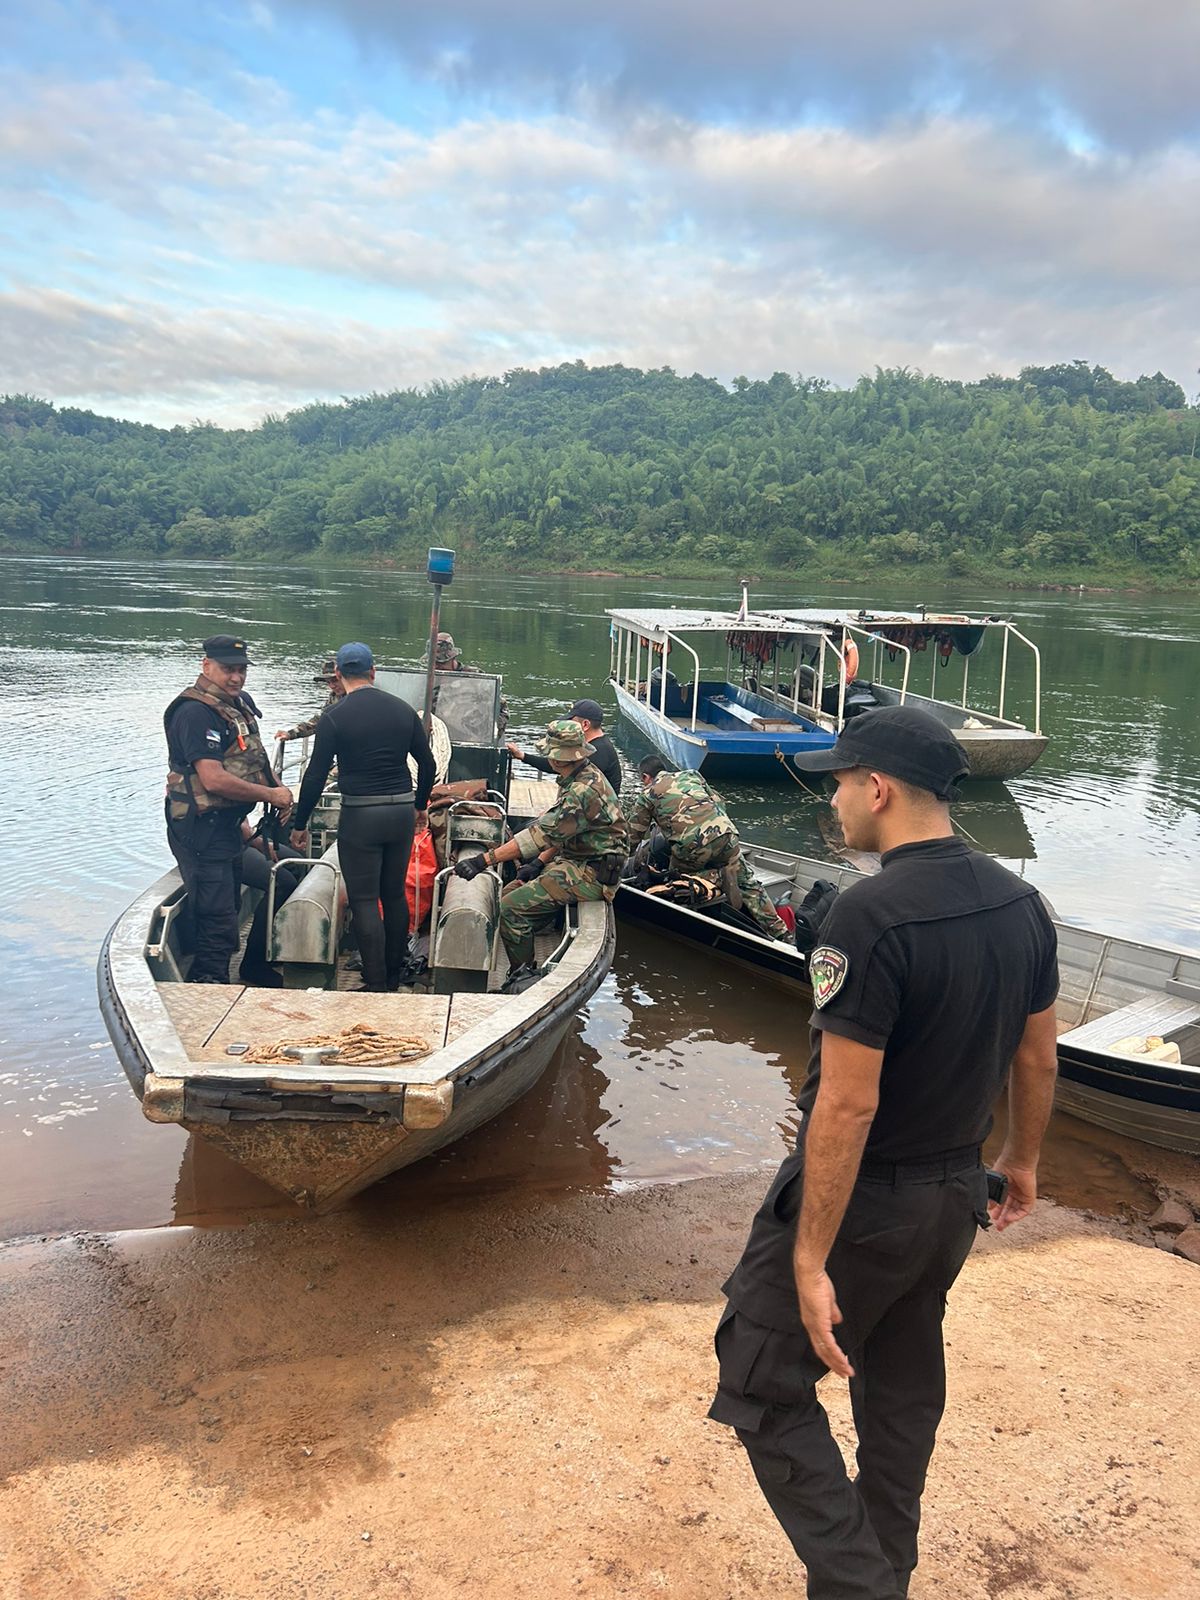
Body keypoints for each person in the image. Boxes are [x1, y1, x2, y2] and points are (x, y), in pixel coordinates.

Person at [709, 705, 1059, 1600]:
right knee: (898, 1391)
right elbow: (1036, 1055)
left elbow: (849, 1104)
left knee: (760, 1378)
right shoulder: (1024, 905)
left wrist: (811, 1255)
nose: (834, 802)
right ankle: (880, 1576)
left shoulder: (868, 916)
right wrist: (1020, 1162)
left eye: (838, 783)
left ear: (879, 788)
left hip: (869, 1204)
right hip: (952, 1197)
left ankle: (864, 1588)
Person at [289, 642, 435, 992]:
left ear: (338, 673)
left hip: (361, 814)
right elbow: (427, 764)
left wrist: (300, 824)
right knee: (395, 894)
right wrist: (419, 805)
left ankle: (376, 983)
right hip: (400, 811)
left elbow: (314, 775)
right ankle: (395, 974)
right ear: (373, 672)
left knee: (365, 899)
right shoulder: (402, 710)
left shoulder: (335, 717)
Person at [454, 719, 628, 980]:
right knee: (512, 889)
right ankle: (529, 937)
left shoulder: (583, 791)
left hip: (592, 874)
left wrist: (483, 860)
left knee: (511, 909)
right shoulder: (580, 775)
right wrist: (538, 864)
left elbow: (539, 835)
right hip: (578, 860)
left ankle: (523, 975)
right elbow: (563, 831)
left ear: (558, 759)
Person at [164, 635, 293, 984]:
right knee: (217, 917)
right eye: (227, 670)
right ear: (206, 666)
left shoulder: (236, 704)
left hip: (228, 824)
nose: (235, 677)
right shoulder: (194, 712)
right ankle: (209, 984)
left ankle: (254, 966)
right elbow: (214, 780)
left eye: (240, 670)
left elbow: (250, 759)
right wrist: (271, 794)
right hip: (201, 830)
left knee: (271, 885)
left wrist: (249, 817)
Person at [625, 757, 790, 941]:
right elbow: (719, 803)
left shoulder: (648, 795)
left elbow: (633, 837)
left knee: (675, 880)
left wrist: (624, 859)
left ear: (646, 777)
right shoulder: (691, 774)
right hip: (726, 834)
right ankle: (782, 934)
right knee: (749, 884)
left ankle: (716, 877)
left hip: (692, 847)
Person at [507, 698, 623, 795]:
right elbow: (557, 763)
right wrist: (522, 756)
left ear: (585, 725)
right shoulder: (594, 746)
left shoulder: (598, 752)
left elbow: (556, 765)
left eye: (571, 722)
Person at [275, 654, 344, 744]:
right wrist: (290, 734)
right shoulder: (334, 697)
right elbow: (318, 722)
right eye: (328, 682)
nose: (332, 686)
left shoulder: (362, 697)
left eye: (335, 680)